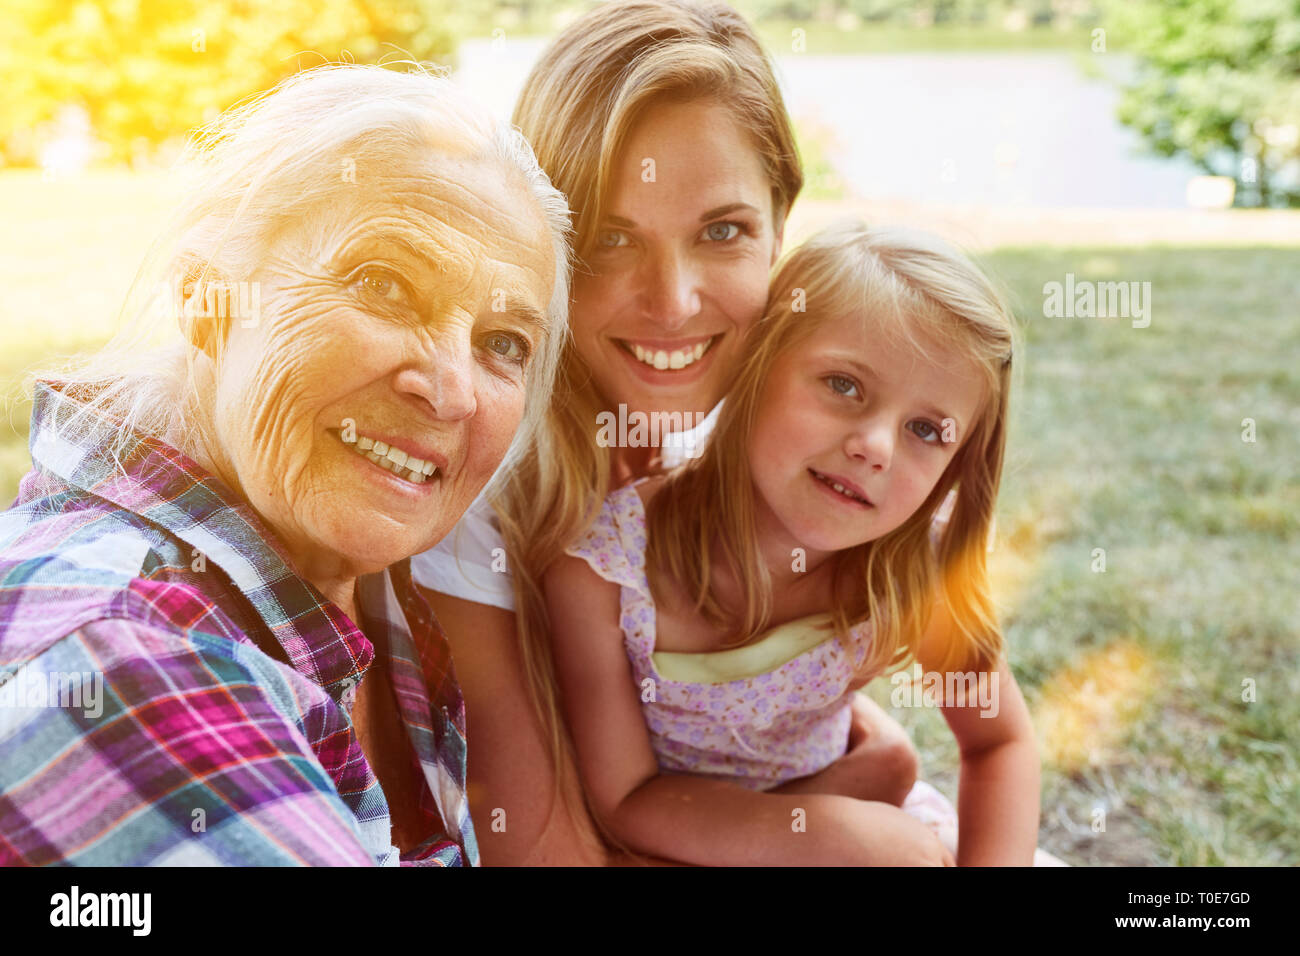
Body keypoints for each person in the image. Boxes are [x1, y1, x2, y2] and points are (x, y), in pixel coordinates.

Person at [0, 63, 571, 866]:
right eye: (384, 284)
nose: (450, 392)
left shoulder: (369, 590)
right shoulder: (124, 651)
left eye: (502, 343)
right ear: (206, 298)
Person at [413, 0, 940, 865]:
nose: (674, 302)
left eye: (723, 232)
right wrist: (861, 785)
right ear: (540, 244)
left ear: (780, 229)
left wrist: (878, 761)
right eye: (610, 238)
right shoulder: (485, 482)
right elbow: (548, 855)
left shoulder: (746, 440)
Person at [544, 221, 1039, 865]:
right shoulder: (605, 570)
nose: (876, 446)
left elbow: (999, 743)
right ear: (755, 363)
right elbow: (627, 801)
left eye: (925, 428)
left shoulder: (917, 564)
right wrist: (830, 832)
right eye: (843, 385)